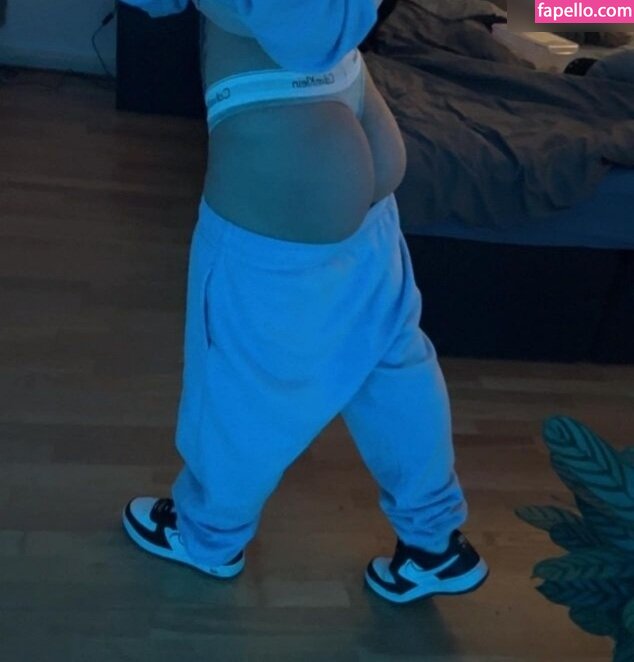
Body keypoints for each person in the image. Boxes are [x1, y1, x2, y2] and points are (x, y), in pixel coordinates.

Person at [121, 0, 489, 604]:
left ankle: (208, 534)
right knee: (391, 364)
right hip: (350, 115)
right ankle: (434, 542)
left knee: (243, 382)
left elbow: (304, 32)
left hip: (295, 152)